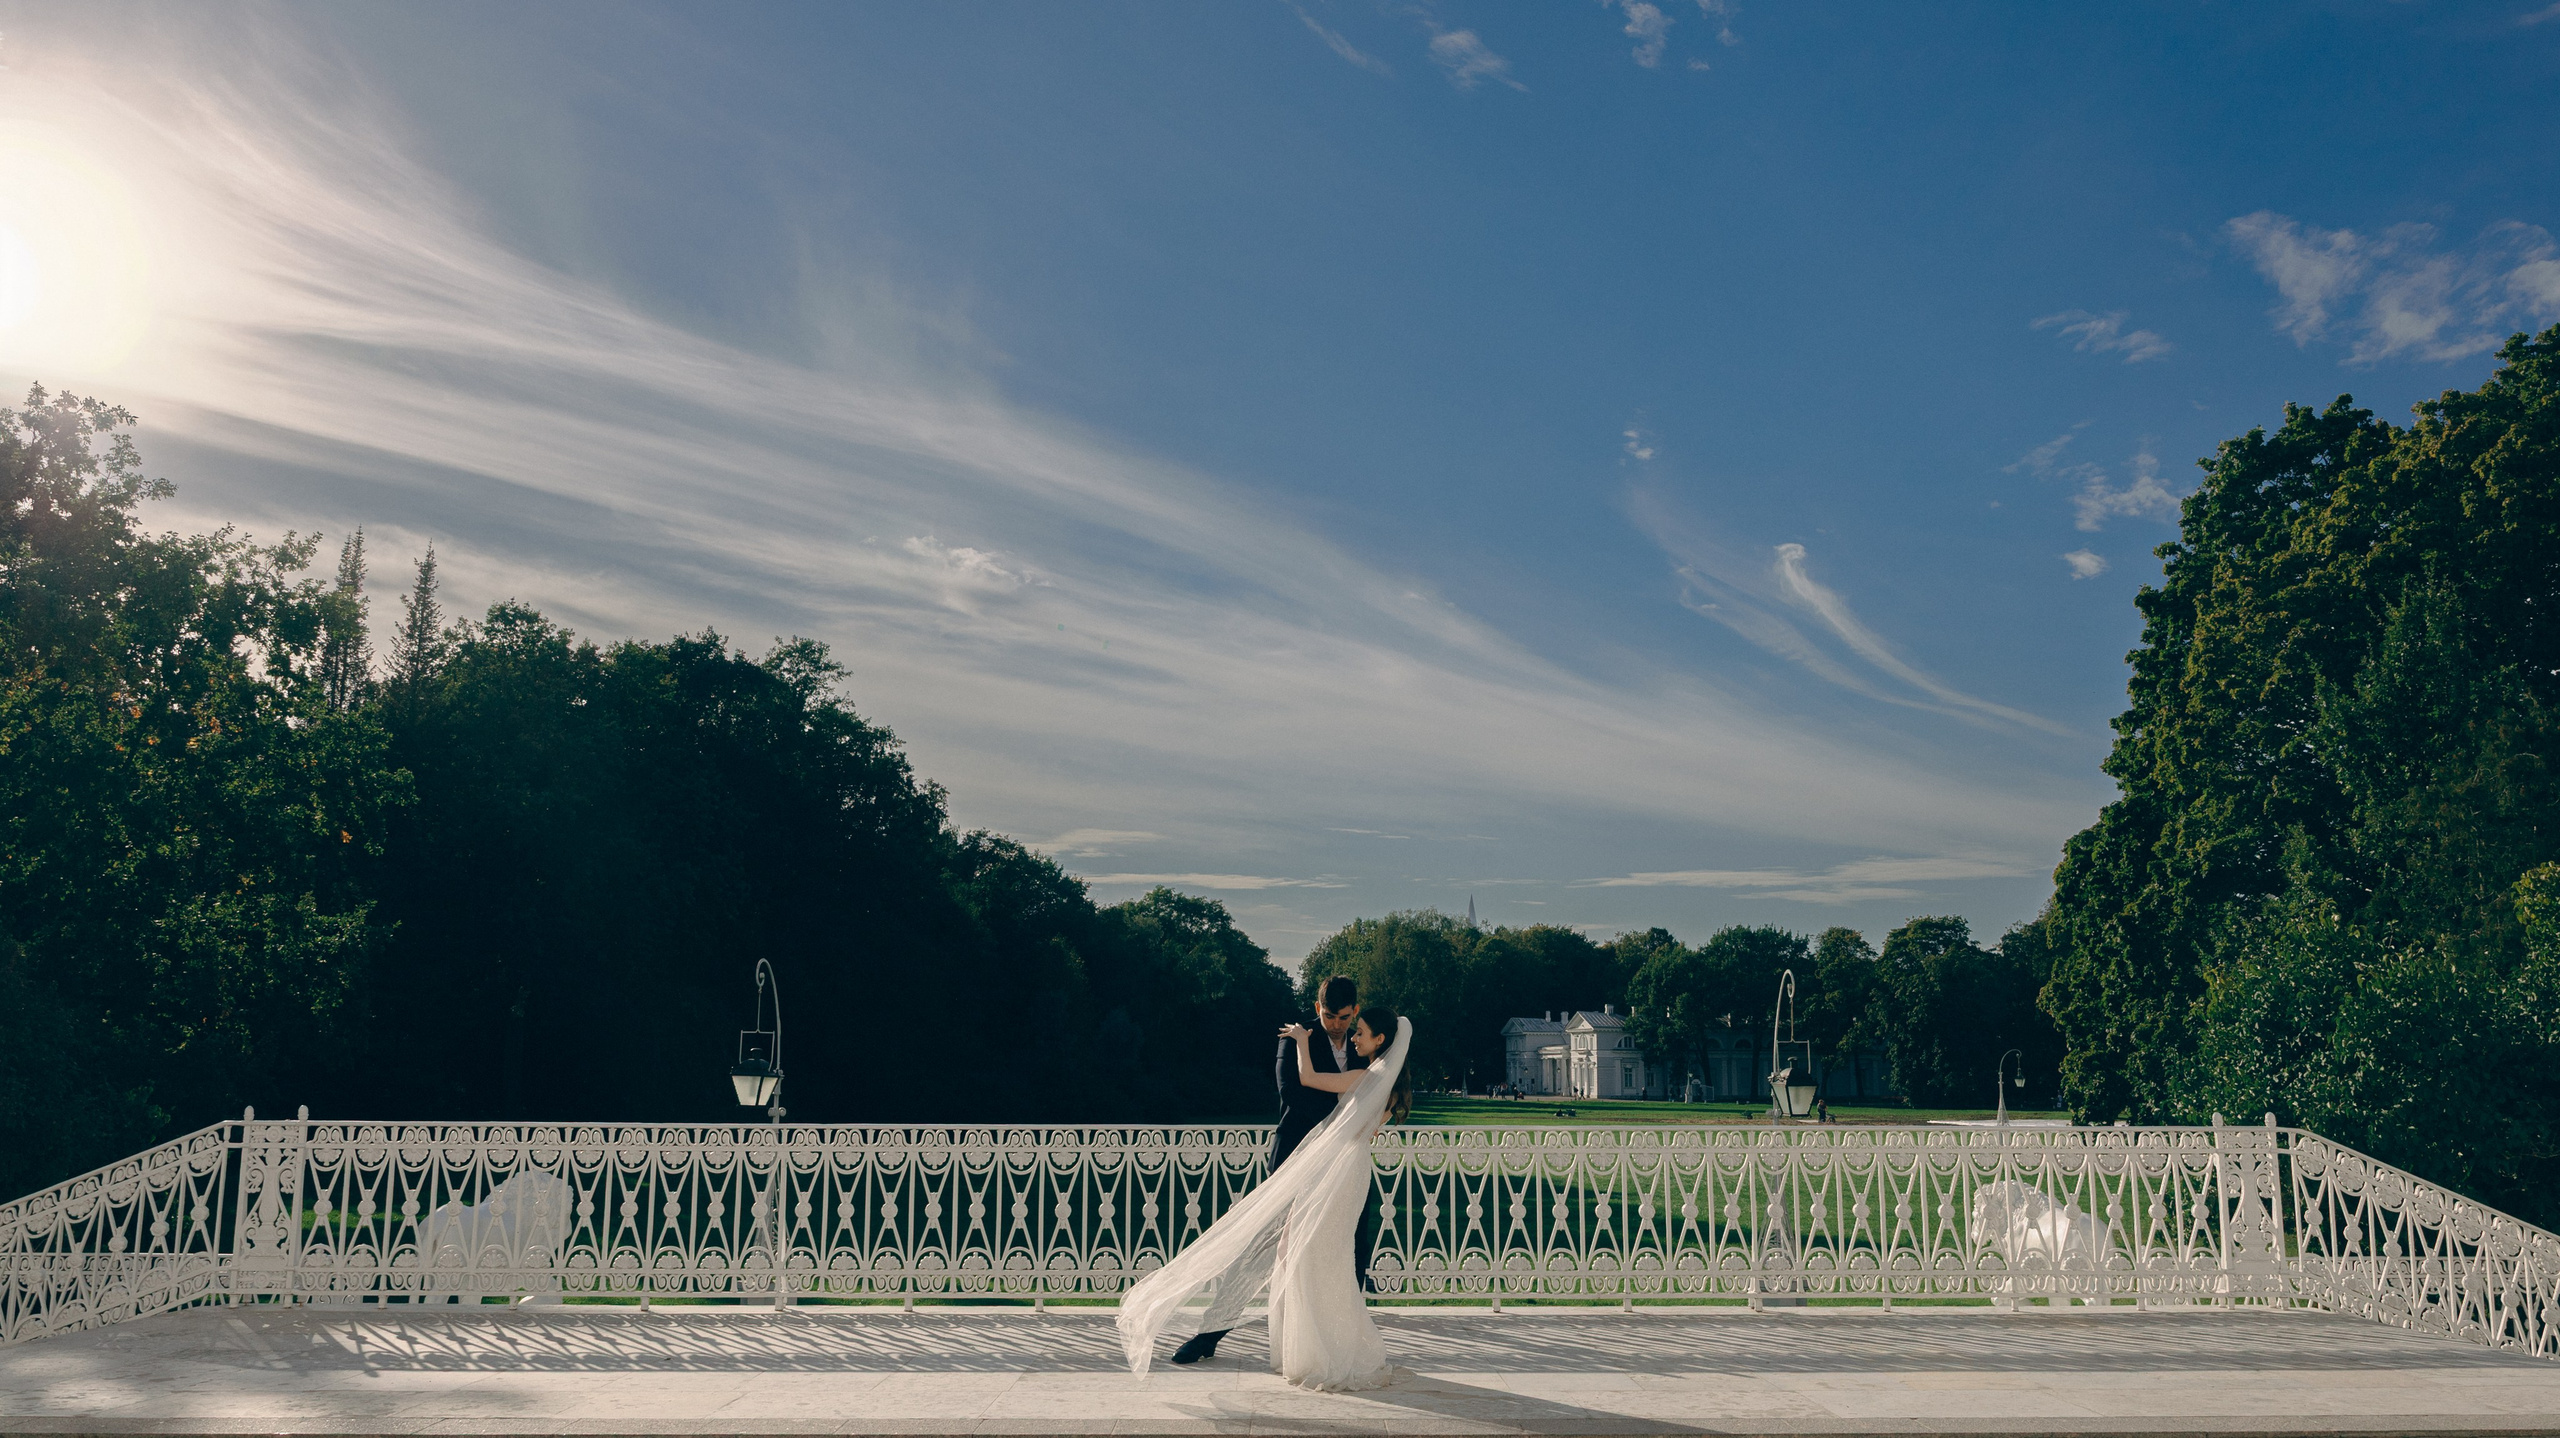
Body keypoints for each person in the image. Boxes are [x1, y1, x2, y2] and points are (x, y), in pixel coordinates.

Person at [1117, 1001, 1414, 1391]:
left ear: (1379, 1039)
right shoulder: (1389, 1085)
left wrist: (1300, 1041)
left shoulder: (1363, 1075)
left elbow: (1306, 1078)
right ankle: (1326, 1347)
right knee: (1321, 1257)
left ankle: (1325, 1352)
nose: (1351, 1033)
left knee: (1311, 1255)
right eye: (1347, 1025)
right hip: (1349, 1170)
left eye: (1358, 1029)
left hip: (1334, 1171)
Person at [1157, 976, 1366, 1367]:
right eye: (1328, 1015)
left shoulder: (1363, 1046)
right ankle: (1208, 1334)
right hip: (1295, 1159)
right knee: (1262, 1249)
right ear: (1317, 1007)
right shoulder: (1293, 1039)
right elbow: (1293, 1094)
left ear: (1354, 1010)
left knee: (1354, 1248)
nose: (1335, 1025)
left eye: (1342, 1017)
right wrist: (1347, 1106)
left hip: (1346, 1162)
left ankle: (1347, 1341)